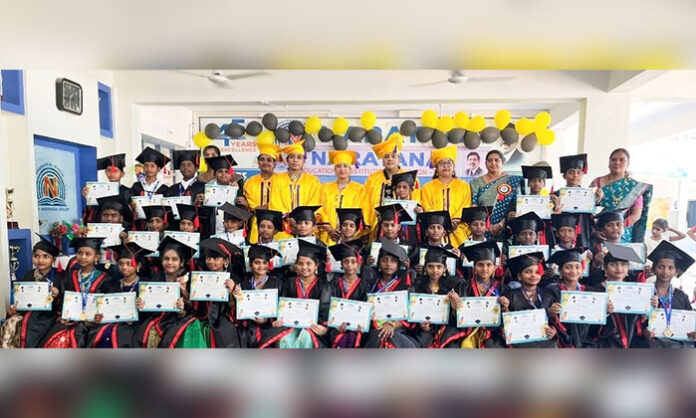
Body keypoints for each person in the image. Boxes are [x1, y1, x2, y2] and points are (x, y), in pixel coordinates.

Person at [259, 240, 331, 348]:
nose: (304, 267)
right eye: (300, 263)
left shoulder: (324, 286)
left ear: (316, 266)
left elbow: (325, 311)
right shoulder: (290, 283)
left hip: (312, 327)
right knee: (284, 339)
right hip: (289, 325)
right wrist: (278, 320)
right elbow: (282, 306)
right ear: (296, 265)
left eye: (309, 263)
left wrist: (324, 328)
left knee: (305, 337)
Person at [40, 237, 111, 348]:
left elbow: (107, 305)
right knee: (59, 337)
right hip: (72, 321)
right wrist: (62, 316)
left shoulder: (105, 279)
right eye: (79, 253)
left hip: (95, 323)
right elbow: (62, 300)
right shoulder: (69, 277)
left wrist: (100, 317)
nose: (82, 257)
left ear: (96, 257)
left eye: (88, 254)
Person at [363, 239, 427, 348]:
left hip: (399, 328)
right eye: (384, 260)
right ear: (379, 263)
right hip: (375, 327)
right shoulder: (372, 284)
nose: (388, 264)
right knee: (378, 335)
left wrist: (392, 324)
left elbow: (410, 313)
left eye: (393, 261)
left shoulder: (405, 285)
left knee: (394, 337)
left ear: (398, 265)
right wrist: (381, 325)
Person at [86, 241, 152, 348]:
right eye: (121, 264)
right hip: (111, 323)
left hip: (135, 326)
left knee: (122, 336)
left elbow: (151, 313)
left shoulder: (146, 285)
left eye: (129, 264)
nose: (124, 267)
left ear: (138, 265)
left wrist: (141, 309)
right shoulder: (111, 284)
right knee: (101, 333)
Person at [2, 235, 62, 348]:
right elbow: (21, 301)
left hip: (49, 316)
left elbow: (66, 304)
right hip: (29, 313)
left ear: (53, 259)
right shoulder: (29, 274)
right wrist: (13, 309)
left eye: (45, 256)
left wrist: (58, 295)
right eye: (36, 256)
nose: (40, 260)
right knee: (11, 323)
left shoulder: (61, 276)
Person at [446, 241, 508, 348]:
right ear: (474, 267)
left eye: (489, 265)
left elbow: (506, 320)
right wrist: (454, 307)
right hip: (466, 329)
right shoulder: (463, 286)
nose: (485, 269)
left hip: (492, 332)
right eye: (480, 265)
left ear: (494, 267)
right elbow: (454, 318)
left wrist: (506, 308)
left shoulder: (502, 289)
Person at [591, 243, 649, 348]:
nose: (619, 268)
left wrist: (646, 311)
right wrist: (604, 312)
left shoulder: (636, 290)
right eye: (613, 264)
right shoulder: (596, 291)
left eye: (623, 264)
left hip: (632, 338)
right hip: (605, 341)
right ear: (605, 268)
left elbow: (641, 321)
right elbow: (590, 326)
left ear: (628, 269)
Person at [590, 148, 652, 243]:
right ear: (609, 163)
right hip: (600, 232)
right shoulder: (597, 182)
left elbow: (636, 215)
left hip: (622, 233)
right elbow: (587, 209)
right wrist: (595, 230)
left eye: (622, 160)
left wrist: (617, 230)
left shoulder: (634, 187)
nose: (617, 162)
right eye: (614, 160)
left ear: (628, 164)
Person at [644, 241, 696, 348]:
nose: (665, 272)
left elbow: (689, 322)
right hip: (651, 343)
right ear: (653, 269)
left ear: (676, 271)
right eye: (661, 267)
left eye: (670, 268)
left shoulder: (681, 296)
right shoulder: (645, 292)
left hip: (677, 344)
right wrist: (644, 332)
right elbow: (634, 323)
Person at [419, 145, 472, 247]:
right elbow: (427, 207)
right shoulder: (427, 187)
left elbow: (466, 205)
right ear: (436, 168)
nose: (446, 166)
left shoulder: (463, 185)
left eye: (449, 163)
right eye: (442, 163)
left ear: (453, 166)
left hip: (458, 230)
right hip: (436, 231)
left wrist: (455, 221)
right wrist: (442, 223)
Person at [503, 252, 559, 348]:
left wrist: (553, 331)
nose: (533, 275)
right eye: (528, 272)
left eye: (537, 272)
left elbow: (553, 323)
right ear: (519, 276)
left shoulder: (548, 296)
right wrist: (504, 331)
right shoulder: (510, 296)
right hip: (519, 340)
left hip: (542, 339)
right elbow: (505, 322)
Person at [411, 247, 462, 348]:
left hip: (446, 328)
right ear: (425, 268)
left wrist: (456, 305)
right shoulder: (417, 285)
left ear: (444, 268)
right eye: (431, 267)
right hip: (425, 328)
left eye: (439, 267)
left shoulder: (453, 285)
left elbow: (457, 317)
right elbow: (413, 312)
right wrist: (420, 324)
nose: (435, 270)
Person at [233, 244, 282, 348]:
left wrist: (266, 320)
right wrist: (236, 296)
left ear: (269, 265)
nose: (261, 266)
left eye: (265, 263)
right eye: (257, 263)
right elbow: (239, 308)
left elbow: (281, 309)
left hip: (270, 327)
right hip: (248, 326)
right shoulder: (244, 283)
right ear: (250, 265)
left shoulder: (277, 283)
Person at [317, 150, 370, 245]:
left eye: (345, 166)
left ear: (350, 170)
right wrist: (329, 229)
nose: (342, 169)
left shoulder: (360, 189)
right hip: (328, 235)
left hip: (352, 235)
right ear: (334, 170)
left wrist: (352, 231)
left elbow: (364, 211)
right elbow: (320, 210)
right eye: (338, 166)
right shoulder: (324, 188)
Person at [545, 248, 594, 348]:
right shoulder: (551, 290)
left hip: (586, 340)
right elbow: (545, 316)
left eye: (577, 267)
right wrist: (550, 313)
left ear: (582, 270)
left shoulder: (589, 292)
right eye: (568, 267)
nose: (573, 271)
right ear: (560, 270)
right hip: (561, 339)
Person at [469, 150, 523, 240]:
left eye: (496, 160)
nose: (493, 163)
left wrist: (501, 224)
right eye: (490, 161)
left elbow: (516, 206)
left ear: (503, 162)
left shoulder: (513, 181)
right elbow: (474, 206)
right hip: (482, 230)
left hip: (505, 229)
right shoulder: (476, 182)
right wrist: (483, 227)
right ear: (486, 163)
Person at [327, 240, 371, 348]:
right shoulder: (332, 284)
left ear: (358, 263)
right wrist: (335, 324)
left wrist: (363, 323)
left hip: (358, 328)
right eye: (346, 262)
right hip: (337, 328)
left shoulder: (365, 285)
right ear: (341, 264)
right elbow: (328, 307)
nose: (350, 265)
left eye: (353, 262)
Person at [268, 140, 321, 216]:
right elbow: (275, 203)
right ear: (287, 160)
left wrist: (304, 218)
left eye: (299, 157)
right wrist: (287, 217)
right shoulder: (277, 179)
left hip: (306, 223)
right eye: (292, 157)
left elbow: (315, 203)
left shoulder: (313, 181)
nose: (295, 160)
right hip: (284, 223)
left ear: (303, 162)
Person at [244, 143, 280, 243]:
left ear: (275, 164)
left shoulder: (282, 181)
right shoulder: (250, 182)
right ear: (258, 162)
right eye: (262, 159)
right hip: (256, 224)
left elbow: (283, 201)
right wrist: (258, 208)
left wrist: (268, 206)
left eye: (269, 160)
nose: (265, 162)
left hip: (278, 224)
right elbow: (251, 205)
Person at [82, 153, 132, 225]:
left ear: (122, 174)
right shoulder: (98, 190)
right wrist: (87, 198)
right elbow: (93, 211)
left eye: (115, 171)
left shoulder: (128, 192)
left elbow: (131, 216)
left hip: (122, 230)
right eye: (109, 170)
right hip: (101, 227)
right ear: (105, 172)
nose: (111, 174)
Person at [205, 154, 246, 234]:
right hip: (213, 231)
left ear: (231, 174)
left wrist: (244, 203)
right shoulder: (207, 191)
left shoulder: (238, 191)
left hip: (233, 234)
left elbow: (244, 216)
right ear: (214, 174)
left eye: (227, 172)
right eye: (220, 171)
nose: (223, 175)